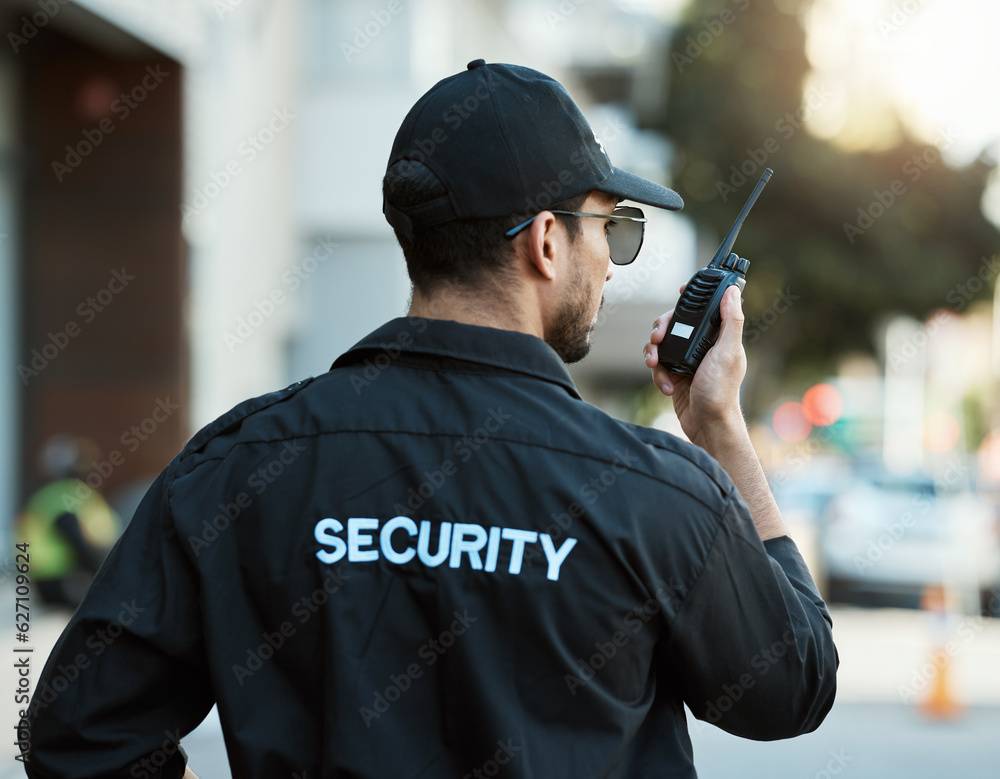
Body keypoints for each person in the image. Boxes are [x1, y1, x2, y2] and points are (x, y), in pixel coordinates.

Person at [21, 60, 837, 778]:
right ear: (547, 242)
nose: (608, 262)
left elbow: (78, 736)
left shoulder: (237, 465)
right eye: (610, 228)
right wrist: (722, 431)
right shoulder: (656, 493)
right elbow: (792, 684)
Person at [16, 435, 119, 611]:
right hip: (63, 580)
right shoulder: (67, 496)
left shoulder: (48, 495)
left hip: (46, 582)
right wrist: (109, 576)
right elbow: (76, 541)